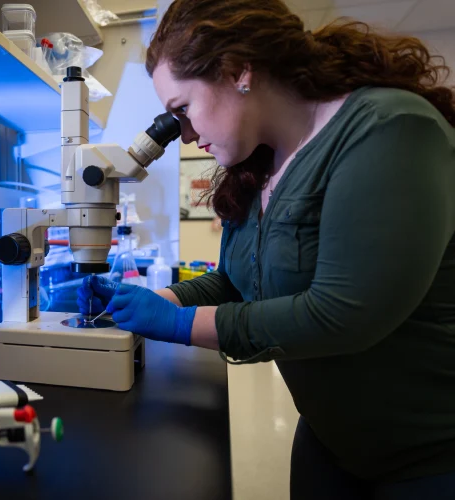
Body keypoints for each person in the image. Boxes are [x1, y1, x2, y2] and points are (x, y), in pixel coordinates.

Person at [77, 0, 455, 498]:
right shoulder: (262, 162)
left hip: (426, 456)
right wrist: (157, 302)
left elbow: (344, 315)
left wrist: (177, 325)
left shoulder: (389, 127)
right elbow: (235, 281)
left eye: (183, 110)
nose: (185, 134)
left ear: (238, 71)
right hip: (330, 441)